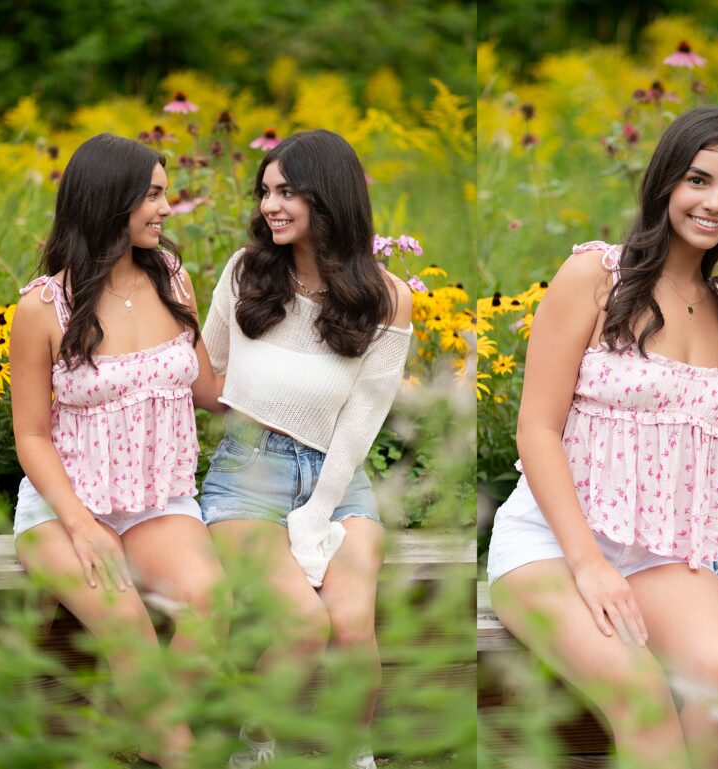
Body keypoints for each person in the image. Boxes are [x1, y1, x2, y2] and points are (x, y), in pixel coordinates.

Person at [486, 106, 718, 769]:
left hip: (663, 550)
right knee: (642, 698)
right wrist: (588, 563)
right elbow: (536, 429)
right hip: (553, 542)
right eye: (698, 180)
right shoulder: (595, 276)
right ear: (666, 180)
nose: (714, 203)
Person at [10, 133, 229, 768]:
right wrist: (82, 527)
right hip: (64, 508)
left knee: (211, 606)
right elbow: (31, 436)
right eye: (153, 195)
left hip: (157, 499)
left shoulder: (173, 280)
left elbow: (211, 389)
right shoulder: (43, 306)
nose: (166, 207)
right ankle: (180, 757)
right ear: (111, 201)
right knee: (127, 622)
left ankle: (148, 741)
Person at [199, 129, 413, 769]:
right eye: (266, 191)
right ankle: (256, 746)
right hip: (247, 476)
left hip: (339, 480)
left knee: (350, 628)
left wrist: (318, 512)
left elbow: (363, 417)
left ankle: (354, 755)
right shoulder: (245, 273)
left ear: (331, 197)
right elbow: (205, 373)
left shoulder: (387, 296)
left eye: (288, 191)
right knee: (302, 625)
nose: (271, 205)